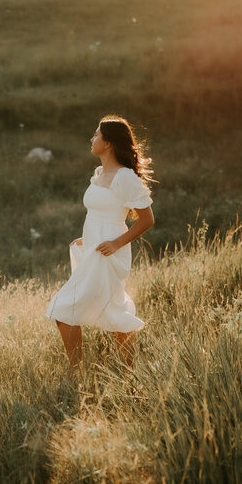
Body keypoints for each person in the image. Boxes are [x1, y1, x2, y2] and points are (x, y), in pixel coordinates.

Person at [45, 115, 155, 369]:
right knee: (110, 308)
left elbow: (147, 219)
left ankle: (79, 372)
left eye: (96, 134)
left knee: (66, 308)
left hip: (109, 253)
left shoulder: (125, 177)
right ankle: (129, 371)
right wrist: (88, 238)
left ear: (108, 143)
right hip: (94, 249)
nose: (92, 138)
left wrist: (116, 243)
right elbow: (101, 213)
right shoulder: (99, 174)